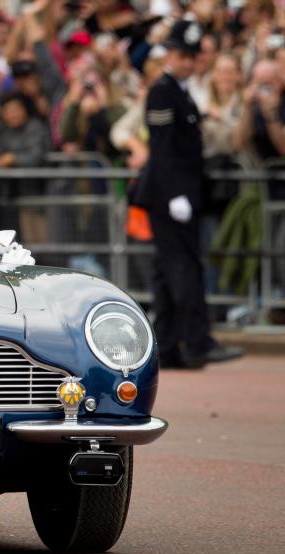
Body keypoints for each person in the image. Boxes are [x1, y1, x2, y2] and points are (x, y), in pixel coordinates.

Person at [134, 20, 242, 368]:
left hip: (176, 195)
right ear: (171, 54)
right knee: (185, 268)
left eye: (191, 55)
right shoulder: (164, 90)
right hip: (170, 196)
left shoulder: (178, 90)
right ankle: (197, 342)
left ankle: (167, 345)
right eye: (182, 54)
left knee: (169, 272)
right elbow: (163, 150)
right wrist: (175, 194)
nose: (187, 61)